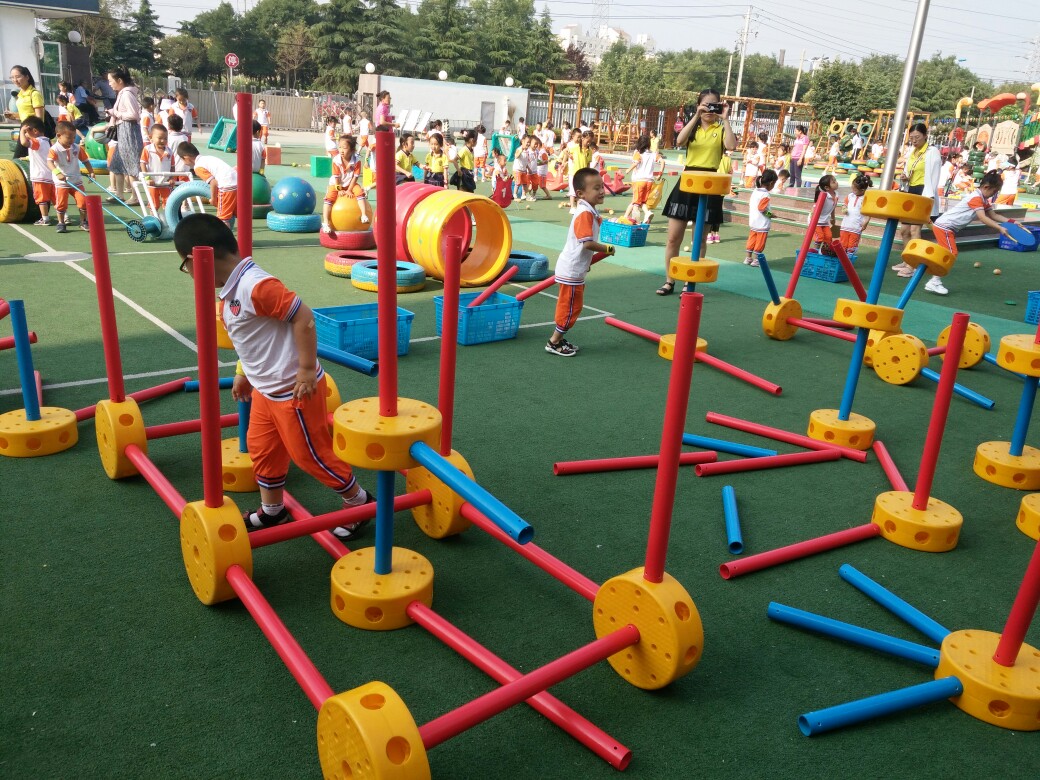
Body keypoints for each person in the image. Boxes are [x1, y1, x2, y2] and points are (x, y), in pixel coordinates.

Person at [173, 214, 373, 539]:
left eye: (185, 267)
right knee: (261, 447)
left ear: (197, 260)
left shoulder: (256, 285)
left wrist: (306, 370)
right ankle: (272, 510)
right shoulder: (233, 290)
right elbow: (252, 338)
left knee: (309, 455)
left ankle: (359, 501)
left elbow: (303, 317)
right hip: (266, 391)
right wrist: (242, 372)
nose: (189, 275)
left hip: (293, 391)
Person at [658, 88, 736, 295]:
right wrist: (696, 115)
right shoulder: (693, 127)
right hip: (688, 182)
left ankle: (689, 282)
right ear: (699, 105)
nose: (710, 110)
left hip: (710, 184)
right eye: (706, 105)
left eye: (714, 105)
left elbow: (731, 146)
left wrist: (725, 118)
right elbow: (679, 141)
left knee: (699, 240)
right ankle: (669, 281)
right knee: (673, 238)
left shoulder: (721, 129)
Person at [545, 167, 615, 357]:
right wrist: (607, 248)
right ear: (581, 193)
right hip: (571, 270)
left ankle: (559, 339)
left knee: (572, 306)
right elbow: (587, 243)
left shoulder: (589, 211)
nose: (601, 191)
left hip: (575, 268)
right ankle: (554, 341)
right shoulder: (584, 213)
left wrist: (587, 262)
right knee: (570, 308)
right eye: (596, 188)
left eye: (602, 187)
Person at [927, 171, 1011, 296]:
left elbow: (993, 215)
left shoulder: (983, 199)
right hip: (944, 227)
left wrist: (1013, 222)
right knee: (951, 253)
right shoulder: (976, 198)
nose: (995, 194)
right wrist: (999, 228)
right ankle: (934, 281)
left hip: (945, 227)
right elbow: (982, 218)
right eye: (995, 191)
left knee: (945, 253)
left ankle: (928, 268)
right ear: (986, 187)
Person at [892, 123, 941, 277]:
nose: (914, 140)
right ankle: (907, 259)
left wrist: (929, 197)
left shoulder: (932, 152)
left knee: (915, 230)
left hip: (923, 192)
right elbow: (910, 171)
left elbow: (934, 176)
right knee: (904, 230)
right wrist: (905, 178)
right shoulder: (912, 152)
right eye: (911, 137)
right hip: (911, 191)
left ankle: (912, 266)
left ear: (925, 136)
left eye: (917, 137)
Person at [175, 142, 237, 227]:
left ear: (186, 158)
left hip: (227, 187)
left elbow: (213, 182)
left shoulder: (198, 167)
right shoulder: (207, 158)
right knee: (239, 212)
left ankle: (223, 235)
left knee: (223, 219)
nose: (183, 163)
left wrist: (213, 199)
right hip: (238, 182)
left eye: (182, 160)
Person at [48, 121, 94, 233]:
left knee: (83, 202)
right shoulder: (54, 149)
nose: (72, 140)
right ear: (59, 136)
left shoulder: (76, 148)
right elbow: (49, 162)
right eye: (69, 138)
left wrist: (91, 172)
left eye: (74, 137)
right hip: (62, 182)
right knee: (61, 204)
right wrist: (57, 173)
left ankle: (83, 222)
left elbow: (85, 161)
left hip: (76, 181)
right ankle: (61, 222)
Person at [106, 68, 143, 206]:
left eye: (111, 81)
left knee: (131, 165)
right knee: (117, 164)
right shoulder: (123, 93)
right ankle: (119, 194)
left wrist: (115, 113)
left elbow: (134, 115)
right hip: (123, 132)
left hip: (129, 132)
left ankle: (135, 197)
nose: (109, 84)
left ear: (120, 80)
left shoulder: (127, 94)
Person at [322, 134, 369, 235]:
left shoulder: (357, 161)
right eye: (339, 147)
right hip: (336, 184)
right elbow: (336, 177)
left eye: (344, 148)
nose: (341, 150)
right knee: (329, 199)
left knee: (359, 192)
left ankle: (364, 215)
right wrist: (339, 190)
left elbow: (355, 177)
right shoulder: (336, 160)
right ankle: (326, 222)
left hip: (350, 183)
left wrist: (349, 190)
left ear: (352, 150)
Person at [6, 66, 47, 159]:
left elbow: (39, 118)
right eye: (12, 77)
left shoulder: (34, 94)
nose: (15, 80)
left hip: (32, 130)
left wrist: (32, 133)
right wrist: (13, 116)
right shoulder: (20, 94)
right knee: (27, 158)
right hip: (24, 127)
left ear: (27, 77)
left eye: (18, 76)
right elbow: (25, 114)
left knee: (19, 158)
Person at [19, 117, 54, 225]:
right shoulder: (48, 141)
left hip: (39, 176)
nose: (25, 134)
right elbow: (42, 155)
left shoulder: (36, 141)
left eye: (26, 131)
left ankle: (45, 218)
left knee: (41, 198)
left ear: (34, 131)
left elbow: (24, 143)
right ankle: (64, 216)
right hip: (51, 176)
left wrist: (21, 131)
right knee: (56, 198)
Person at [622, 134, 664, 224]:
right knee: (642, 201)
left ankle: (637, 222)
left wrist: (628, 170)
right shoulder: (653, 154)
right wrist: (660, 173)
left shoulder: (638, 153)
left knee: (636, 204)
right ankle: (639, 214)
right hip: (649, 181)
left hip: (639, 180)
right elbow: (662, 161)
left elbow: (636, 163)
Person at [743, 169, 778, 267]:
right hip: (762, 223)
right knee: (760, 242)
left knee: (751, 240)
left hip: (753, 221)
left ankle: (748, 258)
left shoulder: (755, 191)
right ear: (771, 183)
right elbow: (762, 208)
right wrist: (771, 214)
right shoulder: (765, 194)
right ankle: (756, 260)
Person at [139, 123, 176, 210]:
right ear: (151, 137)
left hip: (165, 183)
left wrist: (171, 178)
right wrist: (147, 178)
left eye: (165, 138)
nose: (163, 141)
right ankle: (153, 217)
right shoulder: (148, 149)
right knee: (154, 205)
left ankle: (168, 217)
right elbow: (142, 163)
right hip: (153, 183)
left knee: (168, 204)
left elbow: (172, 166)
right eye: (160, 138)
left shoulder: (169, 151)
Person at [839, 174, 872, 258]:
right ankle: (841, 260)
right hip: (845, 225)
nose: (852, 190)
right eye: (852, 188)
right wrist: (844, 208)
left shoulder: (865, 198)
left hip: (856, 227)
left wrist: (866, 222)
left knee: (852, 246)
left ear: (862, 190)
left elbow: (868, 213)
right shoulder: (850, 196)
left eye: (855, 189)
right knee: (842, 244)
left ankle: (849, 260)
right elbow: (845, 204)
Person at [810, 174, 839, 251]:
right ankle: (815, 252)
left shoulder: (836, 195)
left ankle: (824, 253)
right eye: (834, 182)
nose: (836, 182)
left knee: (829, 237)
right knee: (820, 237)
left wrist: (833, 218)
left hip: (824, 221)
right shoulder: (824, 196)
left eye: (835, 181)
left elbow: (833, 207)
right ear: (827, 187)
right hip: (816, 220)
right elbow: (814, 208)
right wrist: (812, 220)